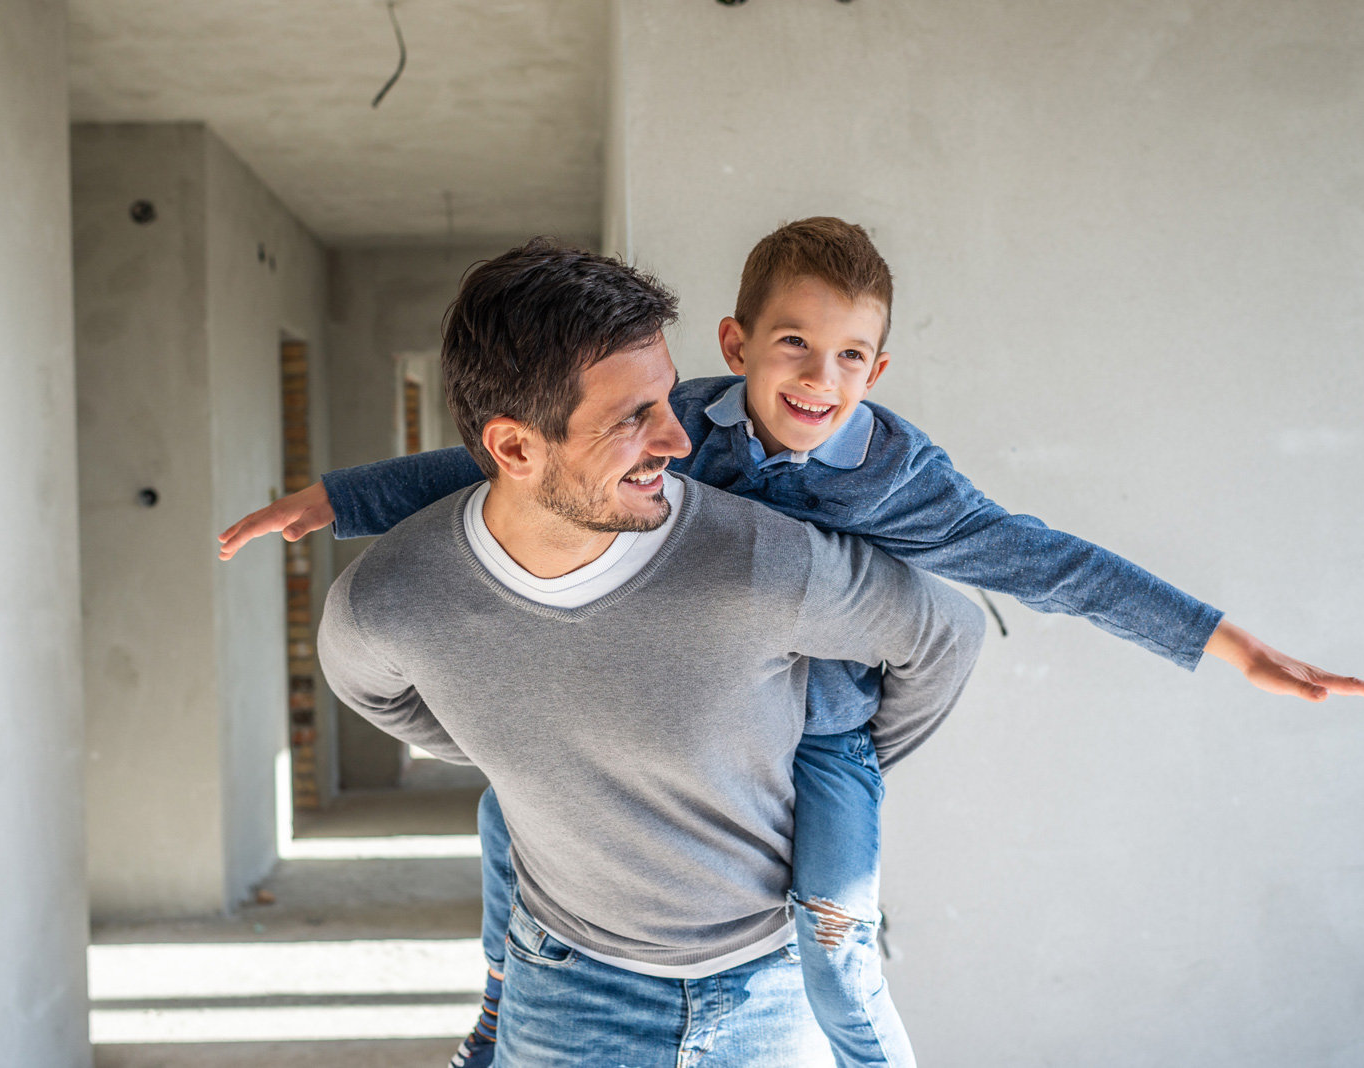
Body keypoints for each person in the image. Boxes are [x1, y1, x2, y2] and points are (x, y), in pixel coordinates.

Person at [223, 219, 1364, 1068]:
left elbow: (1032, 568)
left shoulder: (892, 481)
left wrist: (1223, 643)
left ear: (879, 369)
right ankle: (492, 1006)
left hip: (823, 738)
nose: (819, 381)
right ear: (736, 345)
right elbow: (474, 464)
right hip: (572, 976)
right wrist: (334, 500)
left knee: (836, 930)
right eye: (793, 348)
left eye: (851, 360)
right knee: (504, 811)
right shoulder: (676, 417)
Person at [314, 238, 987, 1067]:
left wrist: (830, 755)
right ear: (516, 449)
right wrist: (525, 747)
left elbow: (943, 632)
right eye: (633, 417)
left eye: (667, 399)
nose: (679, 440)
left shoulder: (761, 559)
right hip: (565, 994)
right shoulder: (390, 599)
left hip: (773, 992)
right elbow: (374, 690)